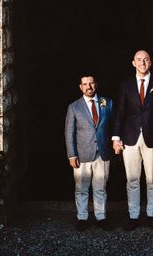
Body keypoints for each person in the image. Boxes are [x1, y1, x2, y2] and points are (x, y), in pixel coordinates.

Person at [112, 49, 153, 230]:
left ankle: (152, 215)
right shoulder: (126, 84)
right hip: (130, 138)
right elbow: (120, 112)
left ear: (150, 62)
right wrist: (116, 138)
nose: (142, 63)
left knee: (152, 178)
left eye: (145, 60)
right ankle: (134, 216)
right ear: (133, 63)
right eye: (139, 60)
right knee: (132, 179)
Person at [64, 74, 113, 231]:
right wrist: (72, 154)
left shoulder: (107, 102)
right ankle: (82, 218)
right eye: (85, 84)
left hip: (103, 152)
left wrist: (115, 141)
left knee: (100, 188)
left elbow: (113, 125)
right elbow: (69, 132)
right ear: (80, 87)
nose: (89, 87)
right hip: (82, 154)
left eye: (91, 83)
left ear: (96, 85)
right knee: (81, 188)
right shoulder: (74, 107)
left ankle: (101, 217)